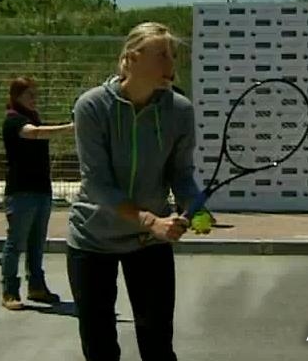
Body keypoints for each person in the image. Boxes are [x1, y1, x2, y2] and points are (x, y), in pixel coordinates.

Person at [66, 22, 209, 361]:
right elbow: (97, 184)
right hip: (92, 240)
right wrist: (151, 220)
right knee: (99, 347)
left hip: (148, 243)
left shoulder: (179, 110)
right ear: (131, 58)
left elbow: (181, 174)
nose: (171, 64)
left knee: (158, 346)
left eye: (172, 56)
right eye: (162, 55)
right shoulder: (91, 106)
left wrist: (194, 206)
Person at [0, 77, 74, 310]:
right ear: (17, 96)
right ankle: (10, 290)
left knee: (37, 243)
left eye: (35, 94)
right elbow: (34, 134)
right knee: (16, 243)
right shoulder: (13, 120)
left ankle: (36, 286)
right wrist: (68, 128)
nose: (34, 99)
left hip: (41, 189)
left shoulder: (33, 117)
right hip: (21, 192)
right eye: (29, 95)